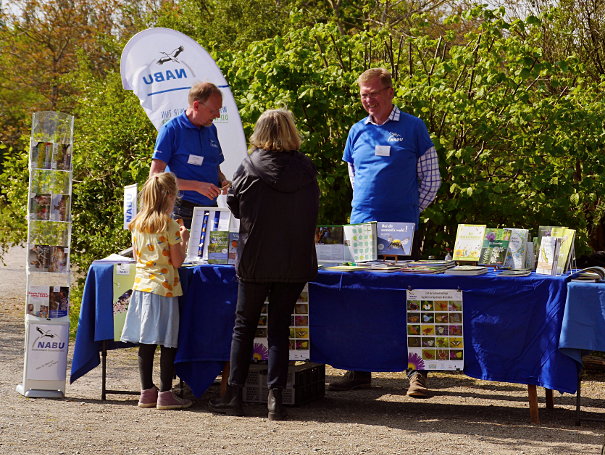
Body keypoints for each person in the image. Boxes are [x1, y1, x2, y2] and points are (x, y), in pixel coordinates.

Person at [329, 67, 441, 398]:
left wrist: (409, 213)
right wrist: (367, 213)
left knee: (408, 299)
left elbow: (431, 179)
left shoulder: (413, 127)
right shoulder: (356, 131)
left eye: (374, 94)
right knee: (360, 298)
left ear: (390, 92)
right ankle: (359, 370)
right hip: (362, 228)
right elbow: (355, 178)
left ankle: (417, 373)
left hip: (400, 230)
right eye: (364, 95)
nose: (368, 100)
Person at [210, 109, 319, 420]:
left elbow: (235, 206)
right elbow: (314, 210)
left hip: (256, 259)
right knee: (279, 329)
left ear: (259, 131)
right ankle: (275, 399)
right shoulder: (306, 168)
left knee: (243, 327)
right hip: (294, 260)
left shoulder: (249, 164)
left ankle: (234, 396)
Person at [120, 172, 192, 410]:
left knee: (146, 341)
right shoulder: (170, 225)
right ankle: (165, 393)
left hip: (142, 287)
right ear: (170, 196)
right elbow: (178, 261)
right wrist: (183, 240)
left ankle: (146, 391)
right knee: (167, 342)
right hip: (165, 288)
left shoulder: (137, 223)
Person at [149, 81, 231, 228]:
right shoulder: (171, 130)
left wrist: (222, 180)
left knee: (212, 251)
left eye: (219, 110)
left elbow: (214, 166)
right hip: (182, 208)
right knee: (184, 252)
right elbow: (155, 176)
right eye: (213, 111)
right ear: (196, 105)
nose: (218, 115)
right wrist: (196, 186)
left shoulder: (211, 129)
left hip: (211, 207)